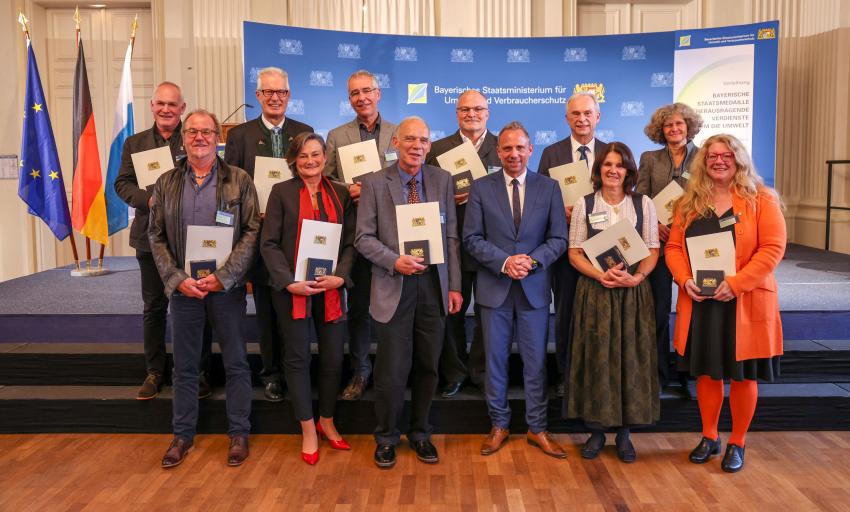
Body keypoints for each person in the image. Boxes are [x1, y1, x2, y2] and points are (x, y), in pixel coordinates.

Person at [665, 134, 786, 473]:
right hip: (702, 301)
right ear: (703, 162)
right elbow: (673, 248)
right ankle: (709, 436)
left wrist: (735, 285)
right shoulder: (689, 201)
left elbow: (772, 249)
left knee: (744, 377)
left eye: (726, 156)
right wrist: (683, 279)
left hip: (742, 301)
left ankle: (737, 441)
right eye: (712, 156)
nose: (719, 161)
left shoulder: (761, 199)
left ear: (739, 160)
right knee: (707, 373)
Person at [149, 109, 259, 469]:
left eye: (206, 132)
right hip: (185, 290)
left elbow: (251, 232)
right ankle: (182, 435)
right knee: (183, 367)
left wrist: (225, 276)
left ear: (217, 137)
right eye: (193, 132)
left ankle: (239, 433)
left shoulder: (239, 180)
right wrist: (177, 278)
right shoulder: (166, 182)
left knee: (237, 363)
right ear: (183, 138)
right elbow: (156, 235)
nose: (199, 137)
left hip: (225, 289)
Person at [354, 116, 462, 469]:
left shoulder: (441, 179)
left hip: (433, 285)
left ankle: (420, 433)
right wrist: (393, 261)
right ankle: (386, 437)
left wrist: (454, 285)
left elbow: (451, 238)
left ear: (430, 146)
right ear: (395, 143)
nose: (417, 146)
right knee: (391, 370)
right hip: (394, 284)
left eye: (424, 141)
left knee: (428, 366)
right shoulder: (373, 183)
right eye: (410, 140)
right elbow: (363, 239)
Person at [464, 121, 568, 459]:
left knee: (536, 363)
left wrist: (532, 262)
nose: (514, 154)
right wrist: (505, 262)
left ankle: (538, 428)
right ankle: (499, 425)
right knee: (494, 362)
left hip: (534, 290)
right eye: (507, 148)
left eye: (520, 147)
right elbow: (472, 239)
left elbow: (559, 239)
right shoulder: (481, 188)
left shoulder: (549, 187)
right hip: (495, 288)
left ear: (530, 150)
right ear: (498, 152)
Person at [260, 132, 355, 465]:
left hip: (331, 289)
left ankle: (326, 420)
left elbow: (349, 243)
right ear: (293, 160)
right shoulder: (280, 192)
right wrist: (288, 283)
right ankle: (308, 429)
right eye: (303, 156)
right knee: (297, 358)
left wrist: (340, 276)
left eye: (316, 155)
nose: (310, 161)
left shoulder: (341, 193)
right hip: (293, 291)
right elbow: (268, 244)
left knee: (332, 359)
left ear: (326, 156)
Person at [114, 81, 213, 400]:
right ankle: (155, 371)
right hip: (149, 238)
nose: (166, 109)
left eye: (173, 105)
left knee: (198, 307)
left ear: (182, 108)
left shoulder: (195, 138)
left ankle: (199, 373)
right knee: (154, 307)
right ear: (152, 106)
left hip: (191, 239)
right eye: (160, 104)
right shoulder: (135, 142)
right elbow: (122, 183)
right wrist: (149, 200)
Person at [566, 142, 660, 463]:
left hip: (632, 293)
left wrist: (637, 278)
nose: (613, 170)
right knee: (596, 358)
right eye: (607, 164)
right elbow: (575, 252)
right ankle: (595, 430)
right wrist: (598, 275)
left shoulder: (643, 204)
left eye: (619, 165)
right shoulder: (584, 204)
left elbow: (652, 250)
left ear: (629, 171)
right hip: (596, 293)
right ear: (598, 170)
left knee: (629, 358)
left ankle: (624, 433)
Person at [224, 66, 314, 402]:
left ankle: (299, 369)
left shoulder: (304, 131)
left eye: (282, 92)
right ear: (258, 96)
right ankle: (272, 372)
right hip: (259, 235)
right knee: (266, 307)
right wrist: (252, 208)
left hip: (299, 234)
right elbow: (229, 183)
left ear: (289, 96)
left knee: (298, 306)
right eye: (268, 92)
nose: (275, 98)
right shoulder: (240, 136)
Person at [324, 70, 398, 401]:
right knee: (357, 308)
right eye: (355, 93)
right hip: (355, 234)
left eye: (367, 91)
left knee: (394, 306)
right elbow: (324, 179)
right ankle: (360, 371)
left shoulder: (399, 133)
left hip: (394, 237)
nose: (362, 98)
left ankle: (392, 369)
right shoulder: (337, 136)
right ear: (349, 98)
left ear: (378, 93)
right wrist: (349, 188)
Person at [425, 89, 500, 396]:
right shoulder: (438, 149)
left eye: (478, 109)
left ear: (488, 112)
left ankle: (481, 372)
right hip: (450, 243)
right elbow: (424, 194)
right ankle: (454, 372)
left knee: (488, 313)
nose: (472, 114)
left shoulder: (502, 146)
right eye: (465, 109)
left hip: (491, 245)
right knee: (451, 310)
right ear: (457, 113)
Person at [537, 91, 610, 397]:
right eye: (575, 114)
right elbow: (539, 199)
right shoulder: (551, 154)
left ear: (598, 117)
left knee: (602, 314)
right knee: (566, 312)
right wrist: (559, 210)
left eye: (587, 114)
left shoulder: (612, 152)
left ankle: (600, 375)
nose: (582, 119)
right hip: (564, 246)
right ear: (567, 118)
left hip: (605, 246)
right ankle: (567, 374)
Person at [636, 102, 703, 397]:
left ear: (689, 126)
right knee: (659, 312)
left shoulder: (705, 157)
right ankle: (661, 372)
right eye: (668, 125)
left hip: (698, 245)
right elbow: (640, 199)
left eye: (679, 124)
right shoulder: (649, 158)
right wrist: (655, 227)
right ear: (660, 130)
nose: (674, 129)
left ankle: (689, 373)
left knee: (695, 312)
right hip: (660, 244)